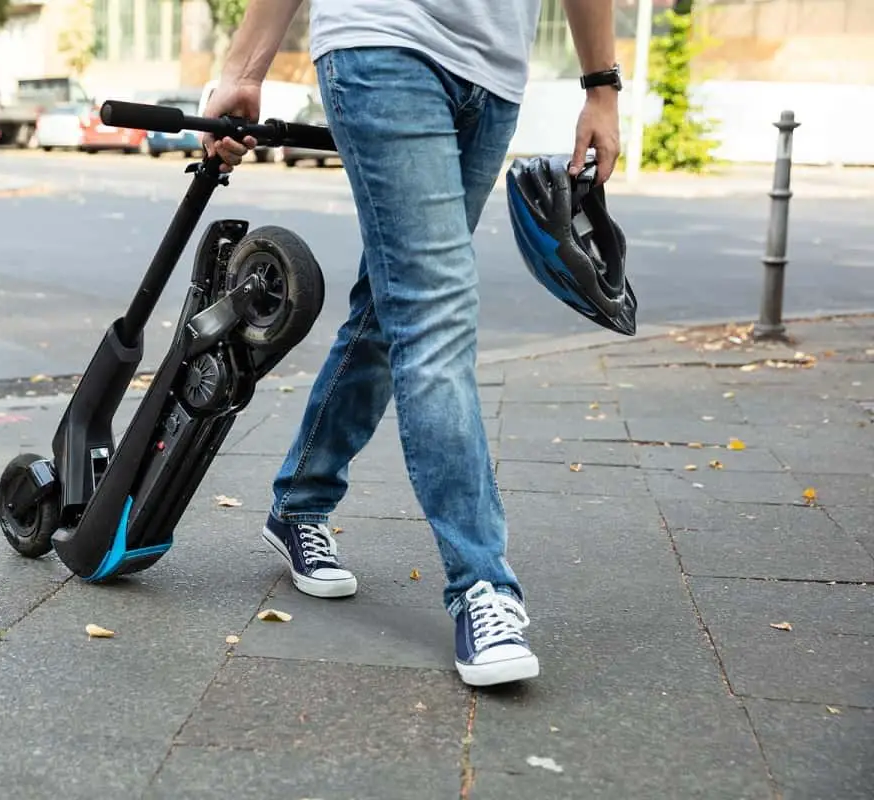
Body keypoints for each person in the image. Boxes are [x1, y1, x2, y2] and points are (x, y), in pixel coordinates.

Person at [203, 0, 621, 687]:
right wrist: (245, 66)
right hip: (381, 40)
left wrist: (601, 87)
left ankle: (299, 500)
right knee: (436, 313)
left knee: (391, 305)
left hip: (493, 72)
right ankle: (483, 585)